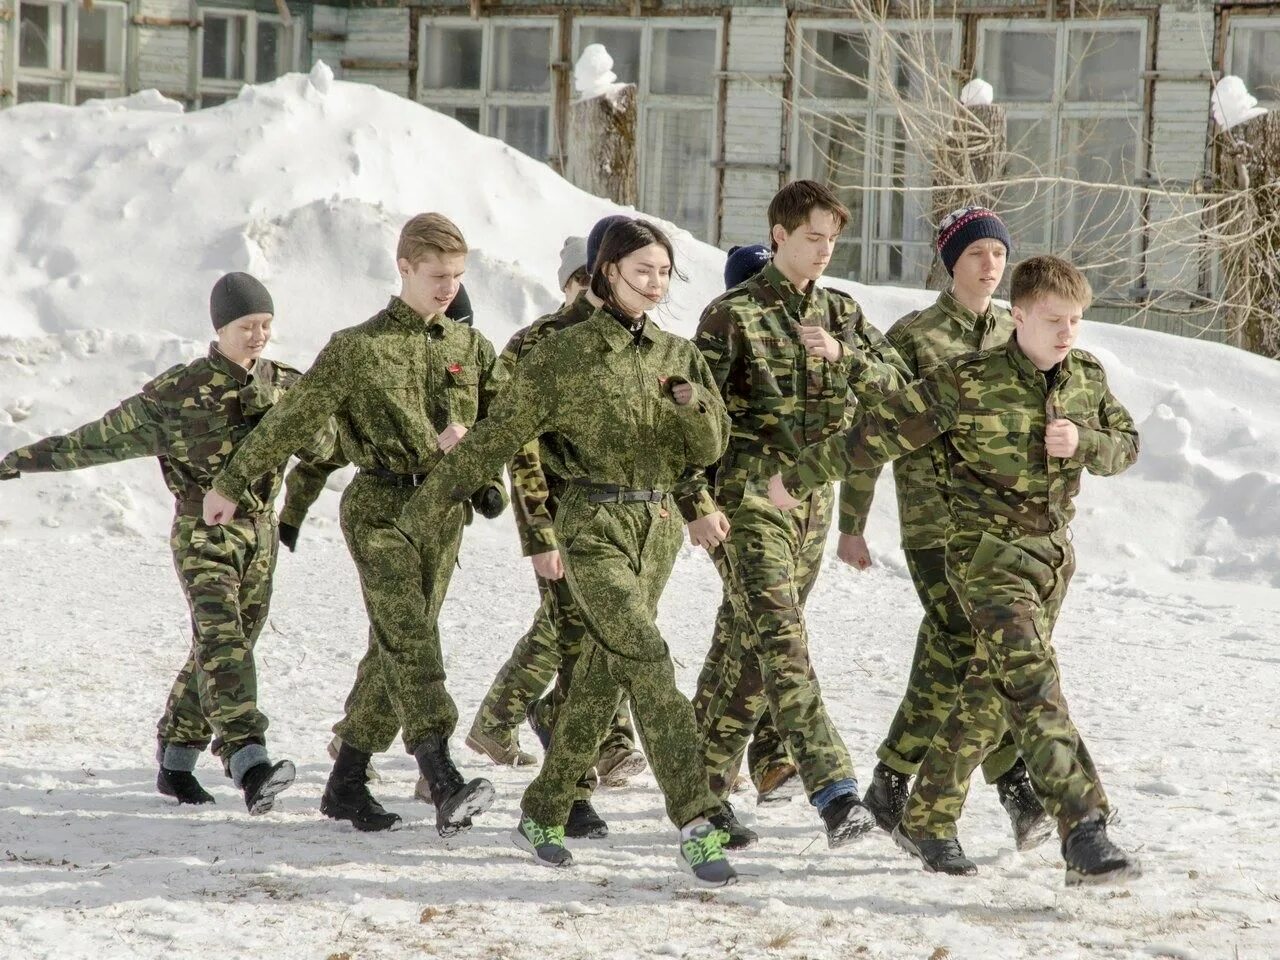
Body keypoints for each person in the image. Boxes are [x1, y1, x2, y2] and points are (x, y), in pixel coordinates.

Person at [768, 255, 1141, 886]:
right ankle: (1084, 828)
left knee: (989, 691)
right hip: (984, 558)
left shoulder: (1086, 376)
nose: (1066, 332)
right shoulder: (968, 379)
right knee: (1031, 681)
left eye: (1075, 320)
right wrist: (798, 477)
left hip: (1052, 556)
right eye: (1053, 319)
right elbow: (880, 432)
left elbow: (1125, 444)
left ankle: (929, 815)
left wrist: (1085, 443)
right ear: (1017, 316)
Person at [399, 218, 738, 886]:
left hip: (658, 527)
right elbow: (501, 437)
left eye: (665, 271)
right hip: (592, 525)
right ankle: (698, 817)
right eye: (643, 269)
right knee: (646, 657)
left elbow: (711, 449)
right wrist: (423, 507)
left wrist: (693, 405)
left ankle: (545, 809)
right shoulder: (562, 354)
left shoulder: (679, 355)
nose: (655, 282)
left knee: (602, 677)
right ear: (609, 271)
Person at [202, 213, 507, 837]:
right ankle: (440, 770)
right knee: (413, 639)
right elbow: (290, 423)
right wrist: (230, 484)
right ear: (403, 268)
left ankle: (347, 778)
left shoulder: (469, 347)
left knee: (391, 647)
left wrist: (479, 457)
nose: (447, 288)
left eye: (456, 276)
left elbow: (507, 422)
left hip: (443, 512)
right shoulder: (356, 348)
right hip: (380, 509)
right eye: (435, 275)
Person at [0, 273, 329, 814]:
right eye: (247, 326)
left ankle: (176, 763)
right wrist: (20, 459)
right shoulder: (178, 393)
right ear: (220, 327)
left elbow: (326, 444)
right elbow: (98, 439)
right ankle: (249, 760)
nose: (259, 336)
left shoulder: (287, 384)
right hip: (203, 533)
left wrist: (283, 414)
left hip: (260, 535)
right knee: (224, 641)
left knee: (224, 645)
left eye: (266, 325)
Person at [680, 180, 911, 849]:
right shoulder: (733, 315)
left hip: (811, 506)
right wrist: (694, 503)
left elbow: (900, 392)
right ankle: (836, 792)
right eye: (813, 238)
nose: (824, 251)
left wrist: (846, 357)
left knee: (746, 649)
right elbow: (694, 420)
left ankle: (700, 791)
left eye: (832, 240)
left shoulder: (842, 313)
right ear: (779, 236)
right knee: (781, 641)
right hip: (748, 500)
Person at [850, 207, 1052, 851]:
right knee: (974, 648)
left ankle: (890, 781)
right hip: (935, 521)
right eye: (976, 255)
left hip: (1004, 524)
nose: (990, 266)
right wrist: (852, 523)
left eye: (998, 254)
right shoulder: (913, 336)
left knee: (954, 651)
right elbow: (873, 426)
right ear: (951, 262)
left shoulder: (1018, 331)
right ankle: (1015, 786)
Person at [465, 223, 646, 842]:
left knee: (615, 648)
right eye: (585, 276)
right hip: (568, 525)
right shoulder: (536, 345)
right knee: (576, 648)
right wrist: (540, 532)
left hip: (630, 527)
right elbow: (521, 451)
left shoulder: (636, 337)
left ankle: (564, 737)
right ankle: (571, 793)